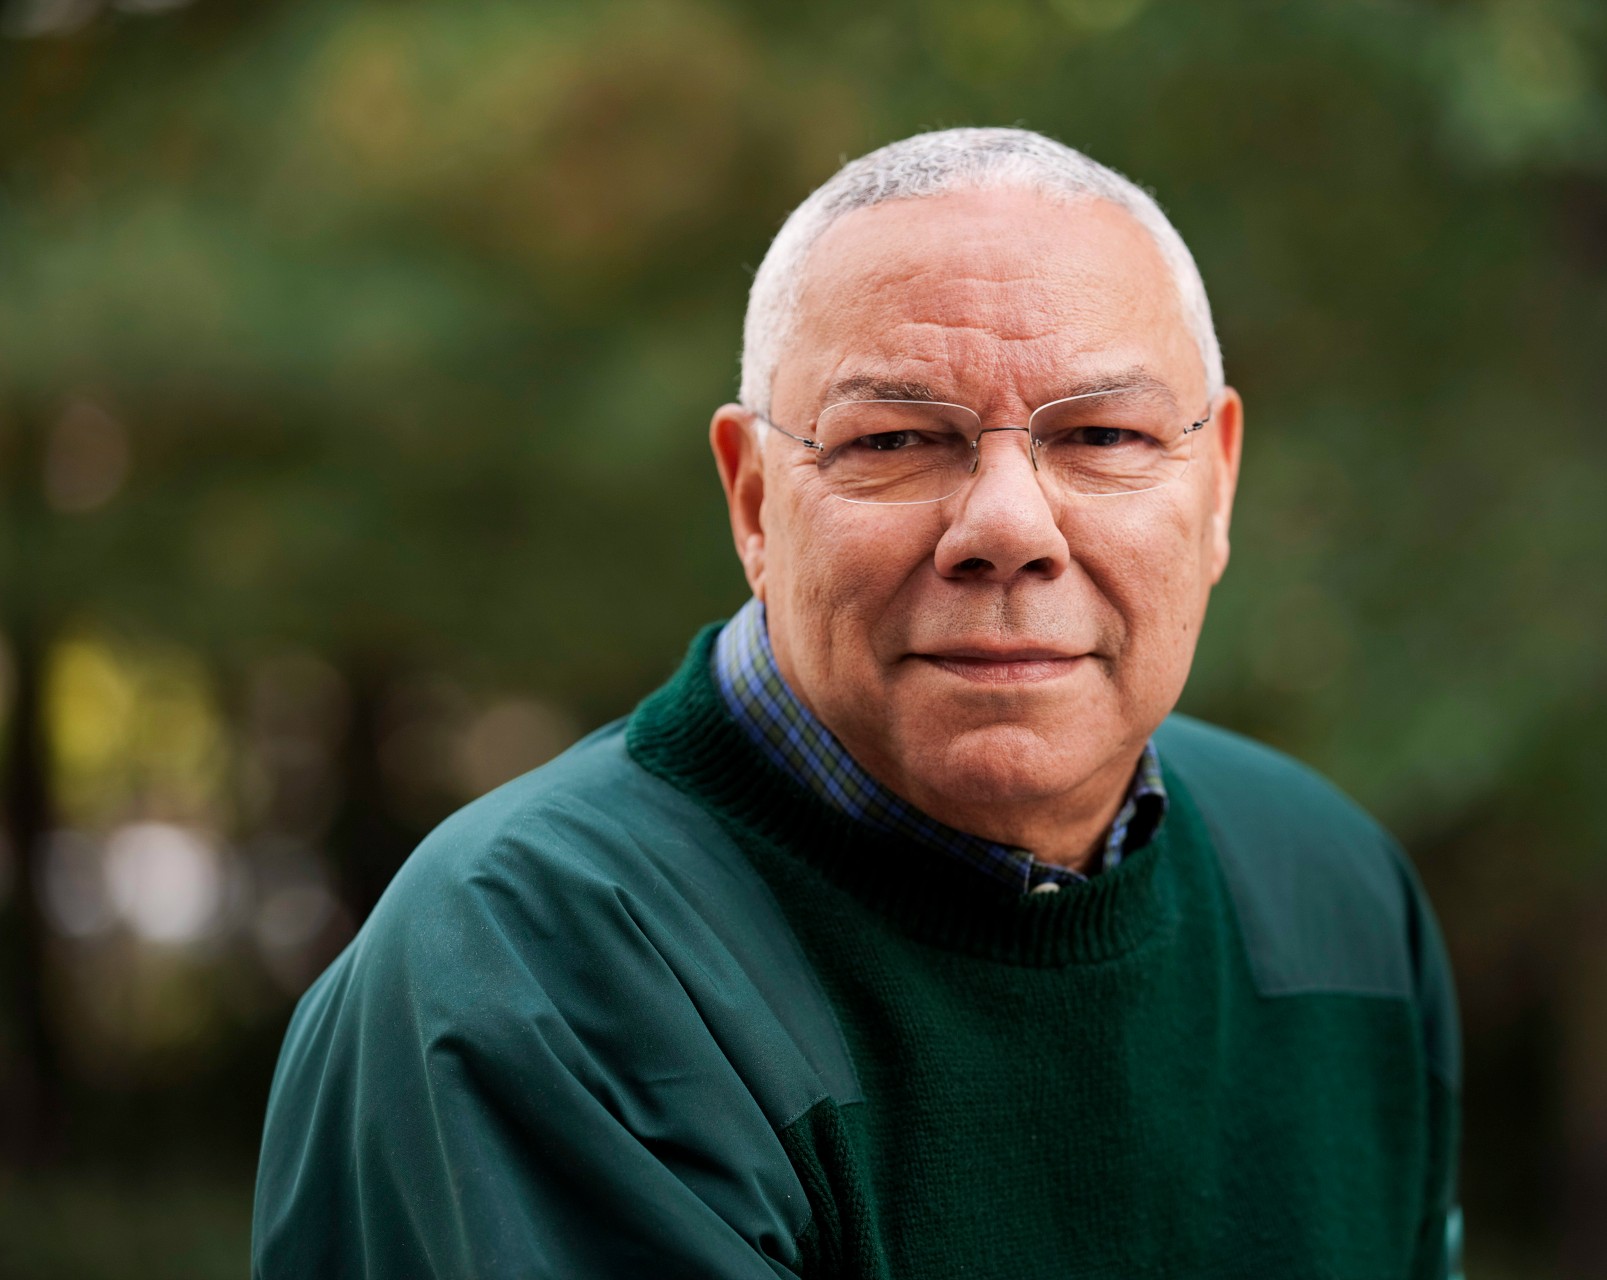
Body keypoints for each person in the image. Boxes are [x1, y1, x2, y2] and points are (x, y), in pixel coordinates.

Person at [252, 127, 1462, 1279]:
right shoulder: (540, 966)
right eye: (892, 441)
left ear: (1218, 485)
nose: (1008, 526)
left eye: (1102, 432)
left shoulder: (1328, 892)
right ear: (754, 500)